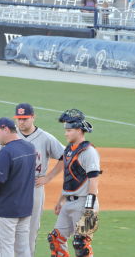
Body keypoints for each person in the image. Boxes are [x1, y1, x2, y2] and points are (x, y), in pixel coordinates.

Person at [0, 103, 64, 256]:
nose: (21, 122)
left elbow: (65, 157)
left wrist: (48, 177)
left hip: (34, 187)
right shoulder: (11, 135)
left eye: (25, 118)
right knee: (1, 232)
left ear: (33, 117)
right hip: (11, 187)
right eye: (19, 119)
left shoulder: (46, 138)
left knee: (29, 232)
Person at [48, 109, 102, 257]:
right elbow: (68, 179)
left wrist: (89, 208)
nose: (66, 133)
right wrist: (60, 200)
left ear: (79, 130)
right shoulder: (68, 151)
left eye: (69, 130)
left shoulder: (89, 152)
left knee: (81, 244)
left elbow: (93, 180)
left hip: (84, 203)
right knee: (55, 239)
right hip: (68, 203)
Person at [0, 117, 36, 257]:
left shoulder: (6, 152)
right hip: (25, 207)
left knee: (4, 249)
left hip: (7, 209)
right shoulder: (30, 147)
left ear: (5, 129)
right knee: (23, 249)